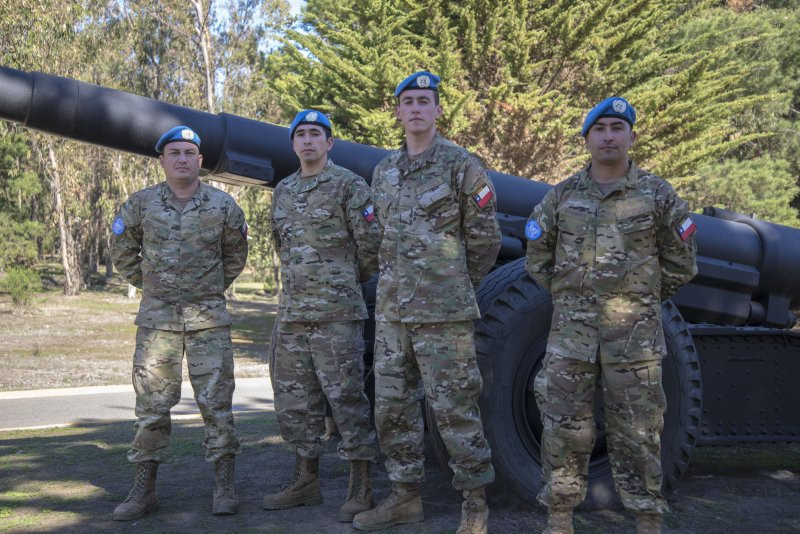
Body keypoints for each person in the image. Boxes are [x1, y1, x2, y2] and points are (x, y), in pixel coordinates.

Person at [525, 97, 698, 534]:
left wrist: (637, 301)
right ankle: (560, 516)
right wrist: (572, 301)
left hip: (635, 343)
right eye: (599, 128)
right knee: (564, 430)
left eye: (617, 128)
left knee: (638, 434)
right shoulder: (561, 197)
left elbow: (682, 262)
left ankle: (645, 518)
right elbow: (538, 258)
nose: (608, 135)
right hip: (571, 340)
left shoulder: (658, 195)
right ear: (586, 139)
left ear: (632, 137)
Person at [352, 72, 501, 534]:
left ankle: (475, 504)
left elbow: (484, 240)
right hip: (394, 313)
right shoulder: (384, 172)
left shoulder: (462, 166)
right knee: (392, 408)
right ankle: (405, 497)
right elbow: (378, 238)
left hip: (444, 315)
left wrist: (454, 284)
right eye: (408, 102)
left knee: (455, 408)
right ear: (397, 112)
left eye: (425, 101)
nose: (416, 108)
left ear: (438, 110)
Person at [110, 125, 248, 520]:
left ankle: (224, 486)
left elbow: (235, 256)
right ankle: (143, 491)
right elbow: (123, 252)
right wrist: (153, 287)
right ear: (162, 160)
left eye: (189, 152)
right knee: (151, 407)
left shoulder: (223, 206)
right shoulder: (141, 204)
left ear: (200, 160)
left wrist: (209, 288)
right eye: (175, 153)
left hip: (208, 322)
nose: (183, 159)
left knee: (217, 406)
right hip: (158, 325)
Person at [262, 110, 380, 522]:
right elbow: (283, 246)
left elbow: (369, 249)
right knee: (296, 401)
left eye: (316, 134)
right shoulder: (284, 191)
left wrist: (338, 282)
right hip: (293, 314)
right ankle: (305, 481)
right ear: (293, 144)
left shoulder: (350, 186)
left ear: (329, 143)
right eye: (301, 134)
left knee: (346, 399)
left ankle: (361, 487)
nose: (308, 140)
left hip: (337, 315)